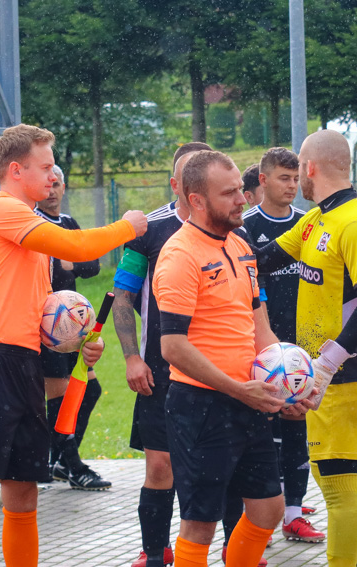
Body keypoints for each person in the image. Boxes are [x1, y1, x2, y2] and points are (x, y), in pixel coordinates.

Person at [0, 124, 147, 567]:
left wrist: (77, 344)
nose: (55, 175)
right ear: (16, 170)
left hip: (24, 362)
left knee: (23, 494)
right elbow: (76, 244)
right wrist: (128, 227)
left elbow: (39, 315)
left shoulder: (30, 228)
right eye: (46, 166)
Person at [154, 150, 312, 567]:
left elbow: (261, 329)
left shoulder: (242, 247)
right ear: (198, 200)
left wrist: (290, 384)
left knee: (267, 509)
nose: (243, 199)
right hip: (201, 407)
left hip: (250, 400)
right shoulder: (179, 256)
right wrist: (237, 389)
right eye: (229, 194)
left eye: (241, 190)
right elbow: (172, 346)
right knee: (200, 524)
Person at [256, 129, 357, 567]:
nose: (297, 181)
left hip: (350, 370)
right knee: (336, 481)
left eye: (299, 171)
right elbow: (264, 258)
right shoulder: (316, 219)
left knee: (338, 485)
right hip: (322, 372)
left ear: (310, 168)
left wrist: (328, 364)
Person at [113, 142, 212, 567]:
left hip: (215, 369)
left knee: (211, 465)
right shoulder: (147, 232)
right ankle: (154, 551)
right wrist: (132, 357)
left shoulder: (229, 228)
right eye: (186, 175)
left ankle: (212, 548)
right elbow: (122, 297)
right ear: (175, 183)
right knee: (160, 467)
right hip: (159, 369)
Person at [242, 147, 325, 543]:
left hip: (303, 344)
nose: (292, 186)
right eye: (283, 178)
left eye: (296, 179)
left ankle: (293, 512)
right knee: (261, 432)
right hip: (259, 345)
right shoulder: (244, 227)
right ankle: (260, 513)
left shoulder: (309, 225)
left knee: (297, 427)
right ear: (263, 180)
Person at [34, 165, 109, 491]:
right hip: (48, 327)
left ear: (64, 187)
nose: (51, 190)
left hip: (73, 327)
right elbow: (45, 266)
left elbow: (91, 265)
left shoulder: (67, 224)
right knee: (60, 396)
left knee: (90, 390)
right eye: (47, 183)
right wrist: (66, 258)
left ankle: (59, 456)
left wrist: (67, 260)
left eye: (57, 184)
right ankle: (71, 463)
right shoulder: (34, 222)